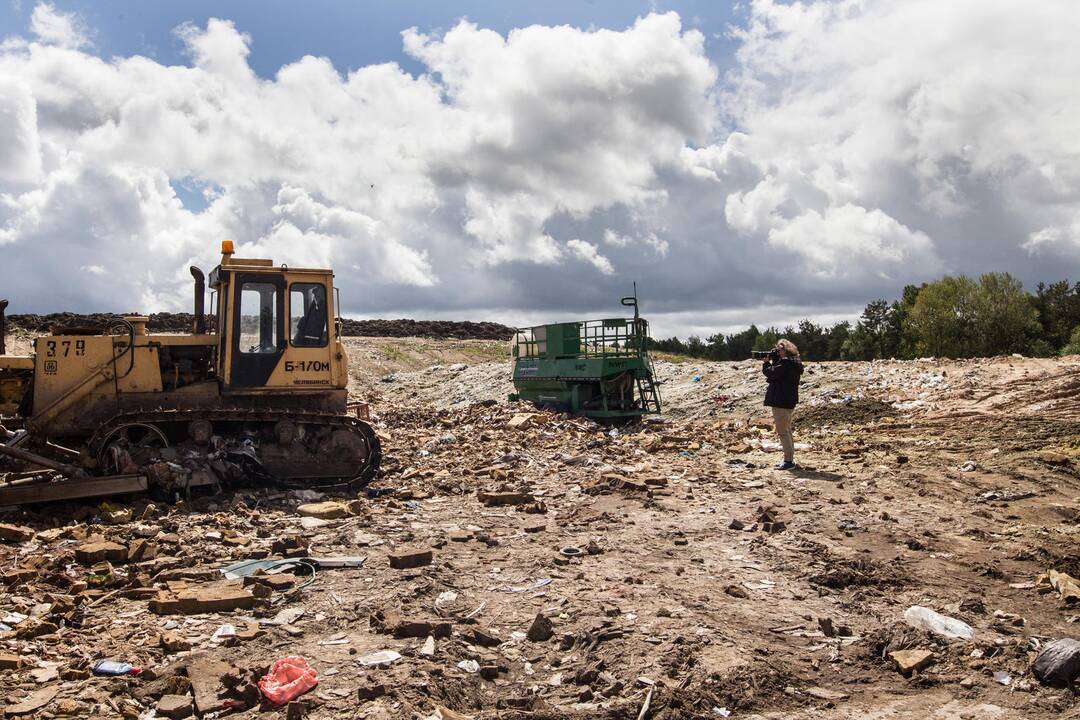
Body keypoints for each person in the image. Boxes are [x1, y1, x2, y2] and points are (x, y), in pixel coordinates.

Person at [762, 338, 803, 470]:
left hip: (781, 400)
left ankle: (788, 461)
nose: (777, 353)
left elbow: (771, 373)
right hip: (789, 400)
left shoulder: (786, 364)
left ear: (785, 350)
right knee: (787, 430)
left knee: (783, 431)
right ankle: (789, 458)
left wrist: (766, 363)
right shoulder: (793, 363)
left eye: (779, 350)